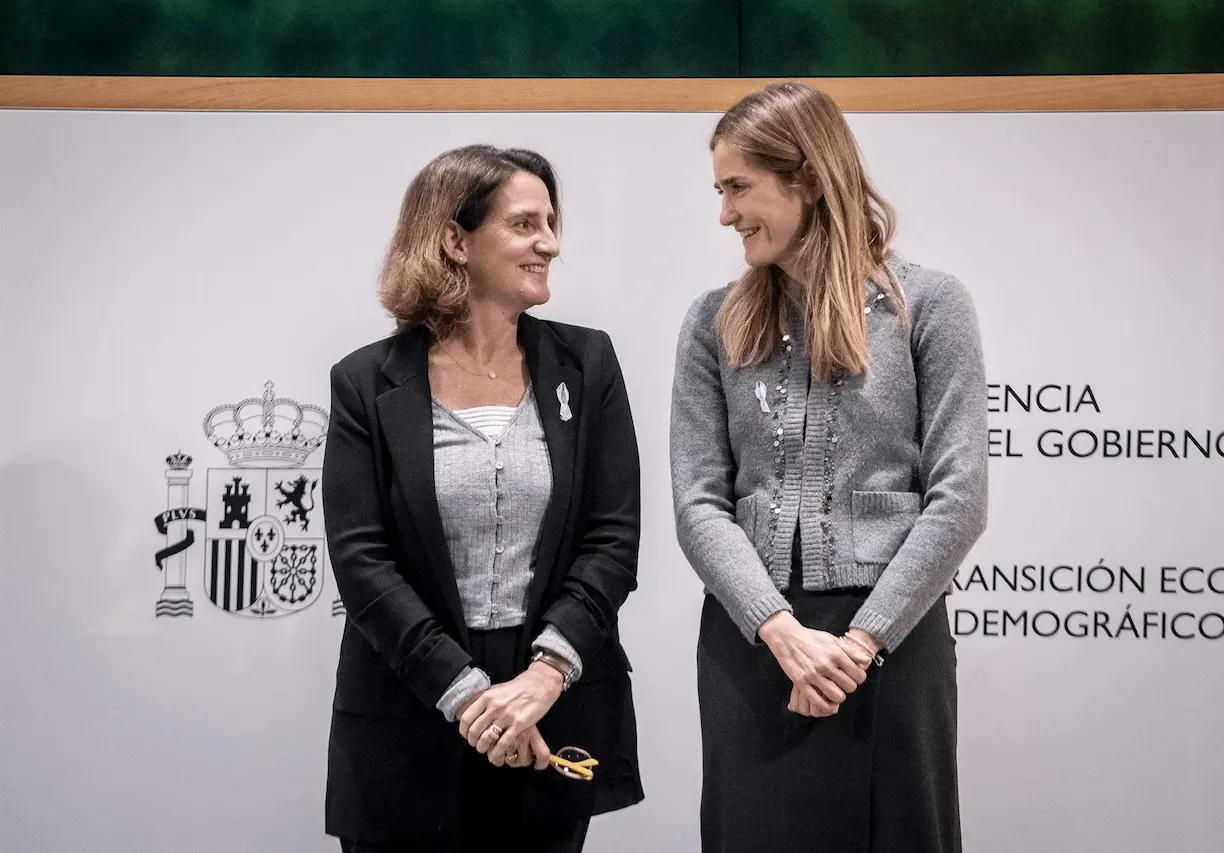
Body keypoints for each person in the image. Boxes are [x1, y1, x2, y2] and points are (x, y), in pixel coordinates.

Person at [670, 82, 988, 853]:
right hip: (753, 644)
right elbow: (698, 502)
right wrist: (779, 630)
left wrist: (861, 641)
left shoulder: (931, 304)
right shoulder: (714, 321)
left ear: (807, 178)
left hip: (891, 649)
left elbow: (959, 497)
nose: (724, 213)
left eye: (739, 187)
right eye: (720, 190)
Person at [324, 144, 643, 852]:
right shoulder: (365, 383)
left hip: (550, 712)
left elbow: (612, 540)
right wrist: (468, 693)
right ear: (454, 240)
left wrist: (544, 676)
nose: (551, 244)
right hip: (408, 716)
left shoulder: (588, 366)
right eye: (526, 224)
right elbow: (362, 562)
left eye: (553, 223)